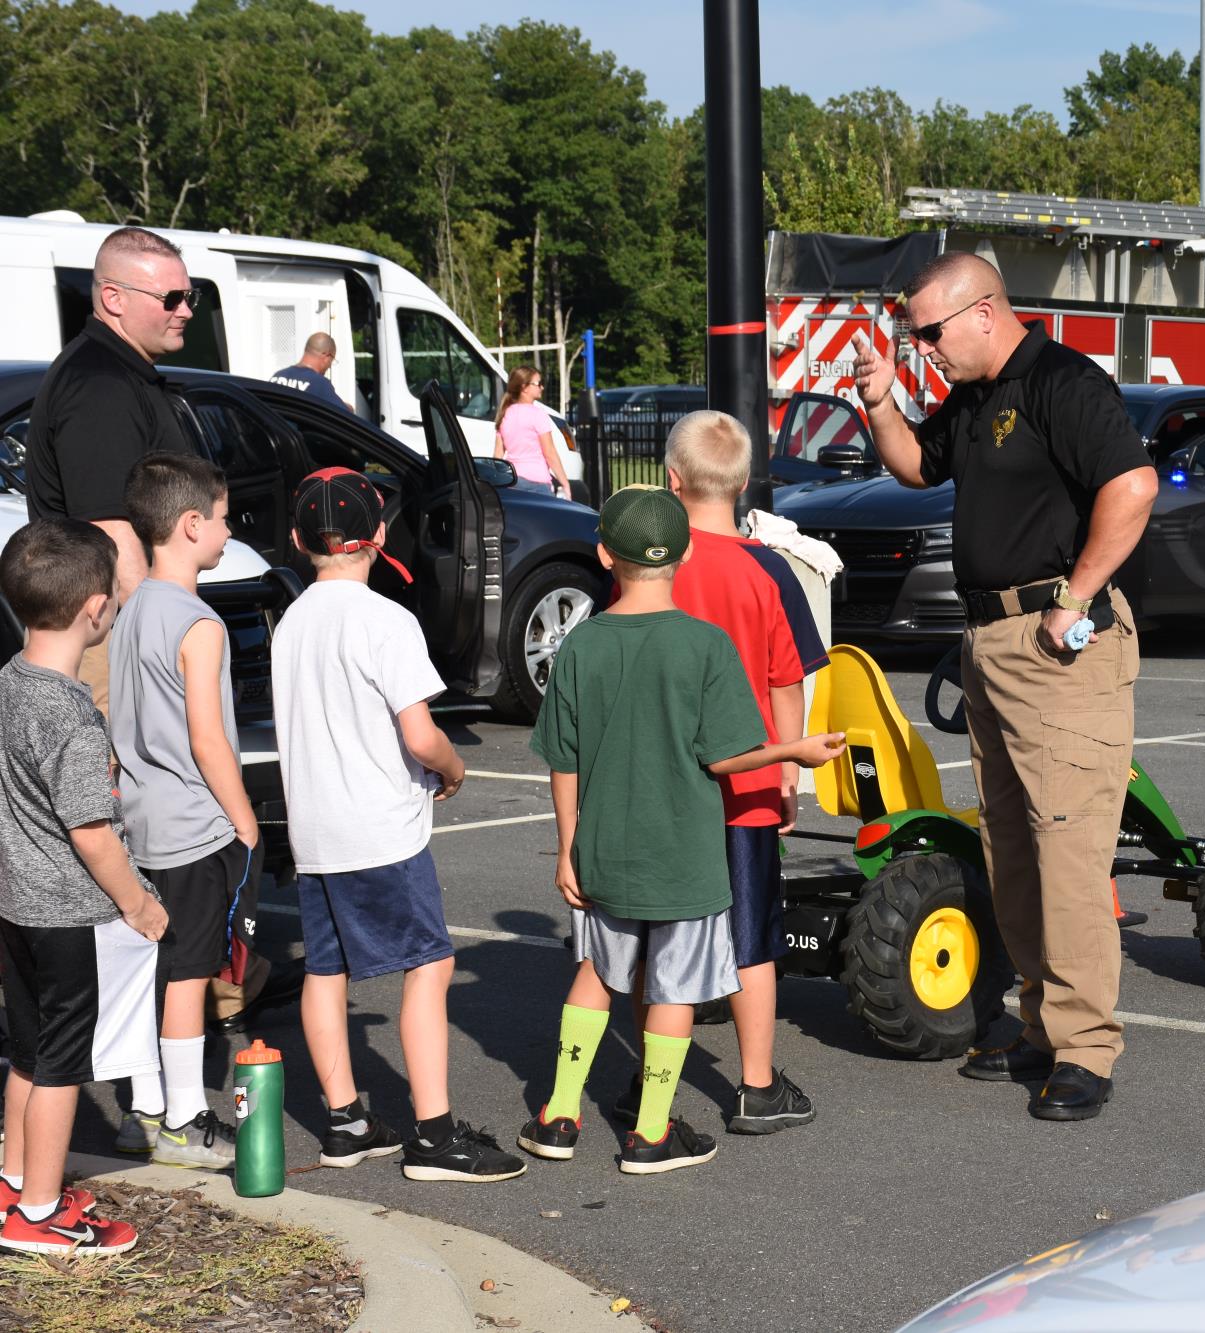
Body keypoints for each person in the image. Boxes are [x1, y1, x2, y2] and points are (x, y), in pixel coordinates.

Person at [851, 252, 1158, 1122]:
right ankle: (1039, 1022)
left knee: (1067, 852)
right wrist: (879, 401)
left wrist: (1076, 597)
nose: (924, 349)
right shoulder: (979, 395)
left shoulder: (1062, 381)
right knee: (1014, 849)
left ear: (983, 311)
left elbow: (1132, 485)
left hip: (1058, 645)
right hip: (993, 641)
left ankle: (1086, 1047)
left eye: (931, 333)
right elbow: (916, 466)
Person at [514, 485, 843, 1173]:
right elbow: (725, 756)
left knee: (595, 975)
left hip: (604, 846)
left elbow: (563, 761)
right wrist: (794, 751)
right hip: (688, 857)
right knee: (673, 989)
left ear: (605, 553)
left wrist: (569, 845)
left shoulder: (580, 644)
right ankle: (651, 1134)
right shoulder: (705, 646)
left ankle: (560, 1114)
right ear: (685, 552)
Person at [272, 467, 523, 1183]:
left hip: (315, 828)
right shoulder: (388, 621)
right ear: (379, 534)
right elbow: (419, 735)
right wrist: (453, 768)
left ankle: (347, 1121)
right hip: (379, 825)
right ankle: (435, 1134)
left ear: (299, 539)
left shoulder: (291, 623)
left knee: (326, 969)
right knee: (430, 963)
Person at [658, 411, 829, 1134]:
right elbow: (788, 682)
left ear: (671, 480)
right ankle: (756, 1085)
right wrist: (789, 772)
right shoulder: (769, 570)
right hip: (751, 781)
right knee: (752, 937)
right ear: (746, 481)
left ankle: (651, 1071)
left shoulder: (652, 560)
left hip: (666, 781)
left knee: (663, 935)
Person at [0, 519, 167, 1256]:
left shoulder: (8, 680)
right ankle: (40, 1214)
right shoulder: (69, 711)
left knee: (28, 1053)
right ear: (95, 609)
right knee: (64, 1062)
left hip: (14, 905)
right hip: (66, 915)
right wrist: (140, 902)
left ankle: (13, 1179)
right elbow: (92, 833)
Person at [107, 455, 259, 1170]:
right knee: (191, 971)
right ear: (192, 525)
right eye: (223, 518)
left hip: (138, 821)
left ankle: (144, 1106)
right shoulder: (199, 623)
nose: (228, 530)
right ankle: (185, 1120)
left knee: (152, 967)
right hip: (193, 825)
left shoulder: (131, 607)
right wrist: (245, 818)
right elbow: (208, 738)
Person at [22, 226, 199, 713]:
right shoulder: (100, 385)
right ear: (113, 297)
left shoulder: (121, 373)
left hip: (112, 630)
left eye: (189, 296)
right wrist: (158, 637)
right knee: (107, 782)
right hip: (104, 638)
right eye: (171, 298)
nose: (185, 310)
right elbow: (109, 529)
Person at [493, 367, 571, 499]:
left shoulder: (505, 413)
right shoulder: (537, 414)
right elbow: (550, 453)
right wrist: (565, 484)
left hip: (511, 481)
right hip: (537, 483)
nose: (542, 387)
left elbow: (497, 454)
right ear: (525, 387)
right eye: (538, 384)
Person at [269, 333, 350, 411]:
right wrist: (350, 408)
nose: (329, 366)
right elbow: (344, 414)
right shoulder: (319, 383)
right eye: (332, 361)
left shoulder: (277, 377)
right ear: (326, 356)